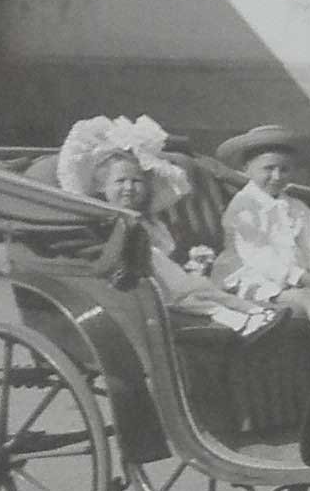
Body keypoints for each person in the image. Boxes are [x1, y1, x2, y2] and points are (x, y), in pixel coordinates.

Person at [56, 115, 280, 340]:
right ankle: (240, 321)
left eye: (136, 181)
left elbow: (168, 250)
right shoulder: (103, 219)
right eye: (120, 182)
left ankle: (253, 311)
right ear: (102, 187)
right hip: (135, 286)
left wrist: (192, 260)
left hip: (168, 282)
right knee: (195, 298)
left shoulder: (148, 220)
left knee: (205, 290)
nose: (129, 188)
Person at [212, 124, 310, 356]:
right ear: (246, 169)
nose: (276, 177)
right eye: (268, 169)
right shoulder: (243, 208)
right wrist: (301, 277)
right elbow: (258, 255)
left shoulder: (295, 206)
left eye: (284, 170)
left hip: (293, 278)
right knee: (309, 297)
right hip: (251, 278)